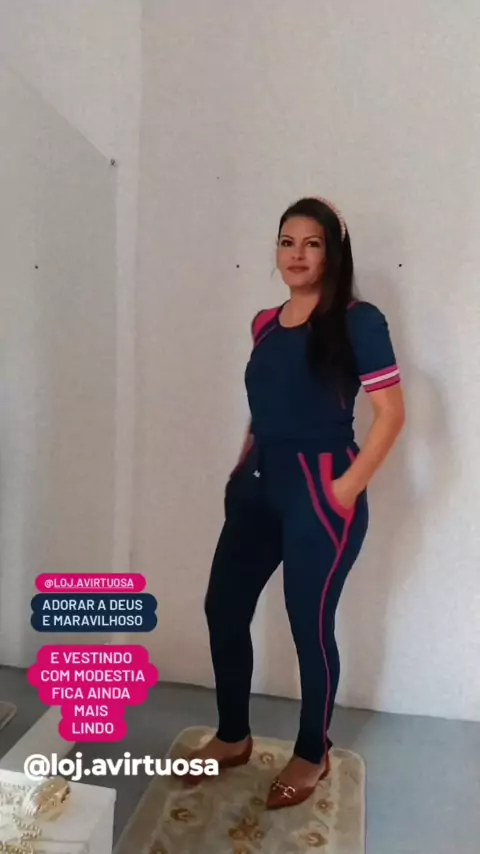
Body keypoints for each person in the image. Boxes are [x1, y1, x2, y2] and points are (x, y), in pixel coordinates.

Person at [185, 196, 405, 808]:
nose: (297, 255)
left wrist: (346, 489)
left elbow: (391, 414)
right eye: (287, 242)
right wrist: (242, 464)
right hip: (257, 489)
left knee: (309, 624)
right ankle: (233, 737)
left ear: (333, 252)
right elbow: (266, 406)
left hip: (320, 494)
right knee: (223, 608)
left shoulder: (359, 320)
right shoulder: (263, 322)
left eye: (312, 243)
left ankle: (313, 752)